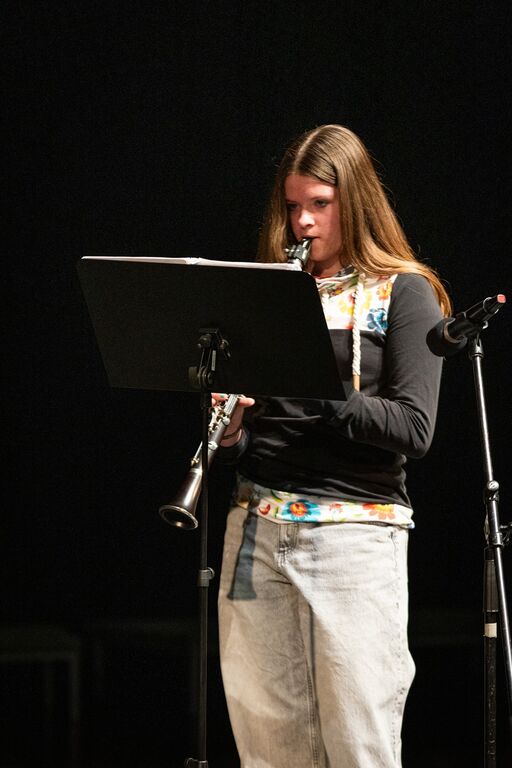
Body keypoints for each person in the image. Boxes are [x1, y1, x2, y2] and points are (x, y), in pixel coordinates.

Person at [214, 124, 451, 768]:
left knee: (358, 745)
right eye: (293, 206)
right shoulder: (270, 288)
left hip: (354, 537)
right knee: (268, 748)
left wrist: (318, 385)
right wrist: (231, 434)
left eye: (320, 204)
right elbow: (260, 431)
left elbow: (414, 429)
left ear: (356, 202)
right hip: (255, 531)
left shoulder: (403, 290)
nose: (303, 223)